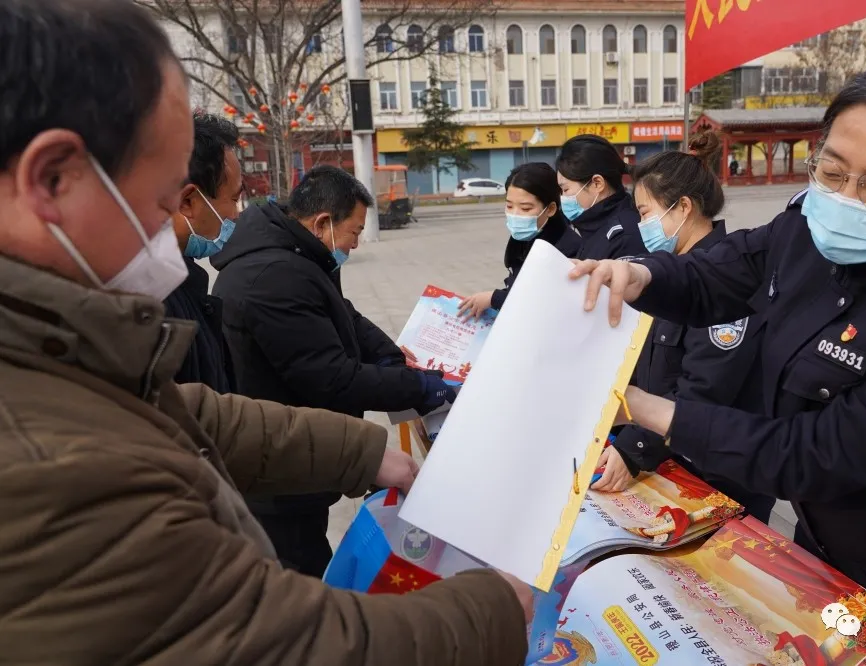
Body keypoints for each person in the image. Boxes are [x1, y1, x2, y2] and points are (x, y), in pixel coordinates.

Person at [0, 2, 533, 663]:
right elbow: (288, 647)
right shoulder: (52, 473)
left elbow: (180, 414)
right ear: (53, 178)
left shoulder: (50, 344)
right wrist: (495, 608)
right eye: (167, 200)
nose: (178, 225)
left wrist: (364, 452)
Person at [572, 52, 866, 665]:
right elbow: (723, 274)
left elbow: (818, 454)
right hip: (823, 549)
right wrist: (637, 274)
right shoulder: (808, 221)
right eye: (830, 170)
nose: (846, 199)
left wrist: (641, 408)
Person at [212, 165, 457, 577]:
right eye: (355, 232)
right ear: (323, 222)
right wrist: (422, 387)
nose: (356, 244)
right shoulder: (272, 276)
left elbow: (343, 314)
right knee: (301, 577)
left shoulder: (299, 253)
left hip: (301, 457)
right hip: (277, 473)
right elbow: (333, 379)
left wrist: (389, 355)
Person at [590, 133, 776, 524]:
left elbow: (704, 389)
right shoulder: (670, 273)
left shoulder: (726, 281)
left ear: (683, 208)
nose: (640, 225)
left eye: (645, 212)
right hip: (670, 456)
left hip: (719, 476)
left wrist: (634, 446)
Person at [163, 112, 241, 392]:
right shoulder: (153, 295)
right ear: (187, 201)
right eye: (233, 199)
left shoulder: (180, 277)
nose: (235, 214)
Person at [458, 162, 582, 319]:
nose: (515, 215)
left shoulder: (568, 248)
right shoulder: (524, 237)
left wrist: (494, 298)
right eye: (509, 206)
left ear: (550, 209)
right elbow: (518, 286)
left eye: (525, 209)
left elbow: (546, 303)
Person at [555, 134, 647, 260]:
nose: (563, 197)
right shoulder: (591, 227)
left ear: (597, 183)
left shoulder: (624, 237)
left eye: (565, 189)